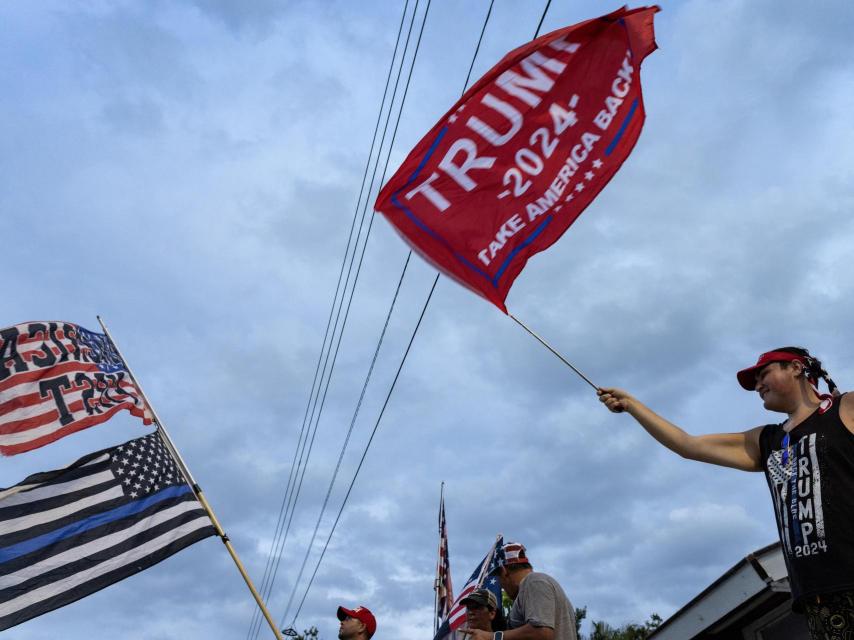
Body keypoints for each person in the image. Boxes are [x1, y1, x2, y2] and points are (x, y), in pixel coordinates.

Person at [598, 346, 854, 639]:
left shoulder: (844, 409)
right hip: (817, 594)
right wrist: (632, 405)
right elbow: (688, 445)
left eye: (763, 374)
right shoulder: (768, 440)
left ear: (796, 368)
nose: (757, 386)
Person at [462, 541, 577, 640]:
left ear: (504, 571)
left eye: (499, 579)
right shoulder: (533, 587)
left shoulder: (534, 582)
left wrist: (491, 637)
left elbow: (542, 633)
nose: (501, 586)